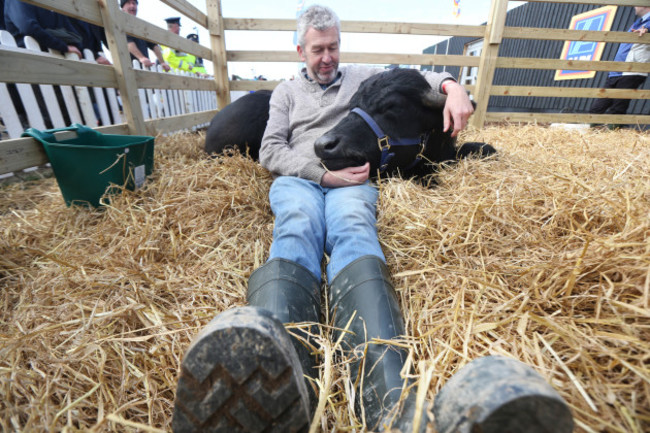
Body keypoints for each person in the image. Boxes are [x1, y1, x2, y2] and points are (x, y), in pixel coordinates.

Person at [171, 5, 558, 433]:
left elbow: (413, 78)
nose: (327, 57)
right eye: (318, 49)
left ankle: (390, 401)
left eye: (333, 47)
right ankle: (275, 377)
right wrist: (322, 174)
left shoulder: (361, 77)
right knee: (297, 224)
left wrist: (453, 87)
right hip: (303, 176)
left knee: (355, 229)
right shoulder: (283, 93)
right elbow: (270, 151)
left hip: (353, 179)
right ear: (301, 50)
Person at [589, 6, 650, 117]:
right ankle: (593, 129)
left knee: (618, 107)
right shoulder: (638, 22)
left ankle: (614, 130)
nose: (634, 6)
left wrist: (647, 29)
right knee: (597, 108)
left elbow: (647, 28)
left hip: (632, 71)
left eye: (637, 3)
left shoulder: (647, 23)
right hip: (617, 70)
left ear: (646, 5)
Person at [120, 0, 170, 71]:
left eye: (134, 3)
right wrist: (141, 58)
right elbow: (128, 42)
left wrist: (162, 62)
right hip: (128, 68)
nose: (132, 6)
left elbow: (153, 45)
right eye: (128, 3)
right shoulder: (121, 23)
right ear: (122, 8)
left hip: (145, 67)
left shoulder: (140, 26)